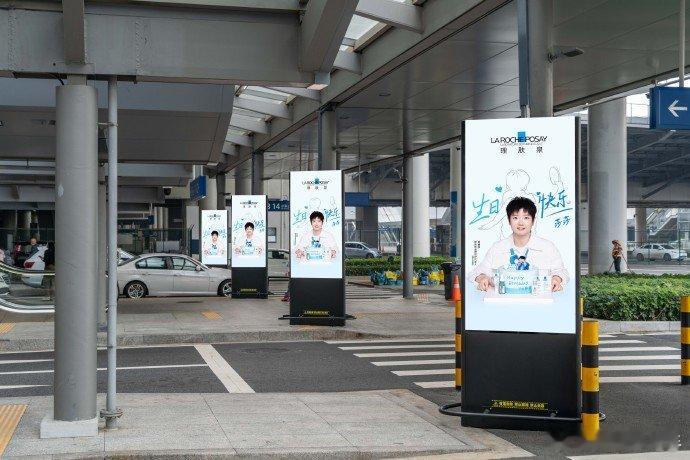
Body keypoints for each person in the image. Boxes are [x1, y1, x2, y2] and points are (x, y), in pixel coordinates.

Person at [469, 196, 569, 292]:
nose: (521, 223)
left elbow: (562, 272)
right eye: (515, 218)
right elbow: (475, 273)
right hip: (504, 301)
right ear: (509, 220)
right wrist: (482, 278)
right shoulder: (497, 248)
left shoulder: (547, 247)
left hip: (538, 300)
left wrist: (556, 279)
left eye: (526, 218)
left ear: (533, 221)